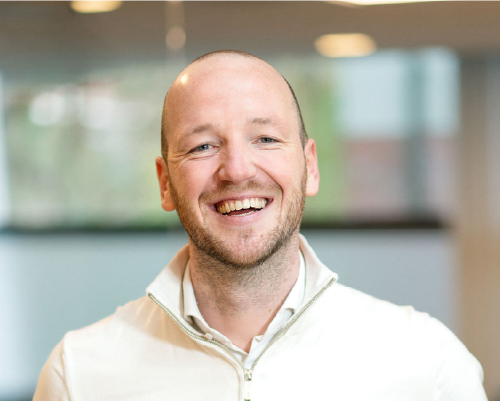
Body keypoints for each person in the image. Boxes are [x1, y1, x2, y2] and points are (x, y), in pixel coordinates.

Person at [33, 50, 487, 401]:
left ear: (310, 166)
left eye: (265, 139)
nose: (236, 169)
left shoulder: (427, 364)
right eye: (203, 146)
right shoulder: (78, 374)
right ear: (165, 182)